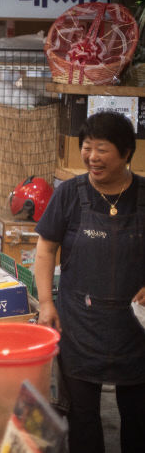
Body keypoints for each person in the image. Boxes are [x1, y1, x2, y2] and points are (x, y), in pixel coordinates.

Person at [34, 111, 145, 453]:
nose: (92, 157)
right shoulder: (69, 193)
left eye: (102, 149)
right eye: (86, 147)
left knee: (138, 416)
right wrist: (47, 304)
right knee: (82, 416)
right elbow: (45, 249)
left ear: (127, 153)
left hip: (136, 328)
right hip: (80, 323)